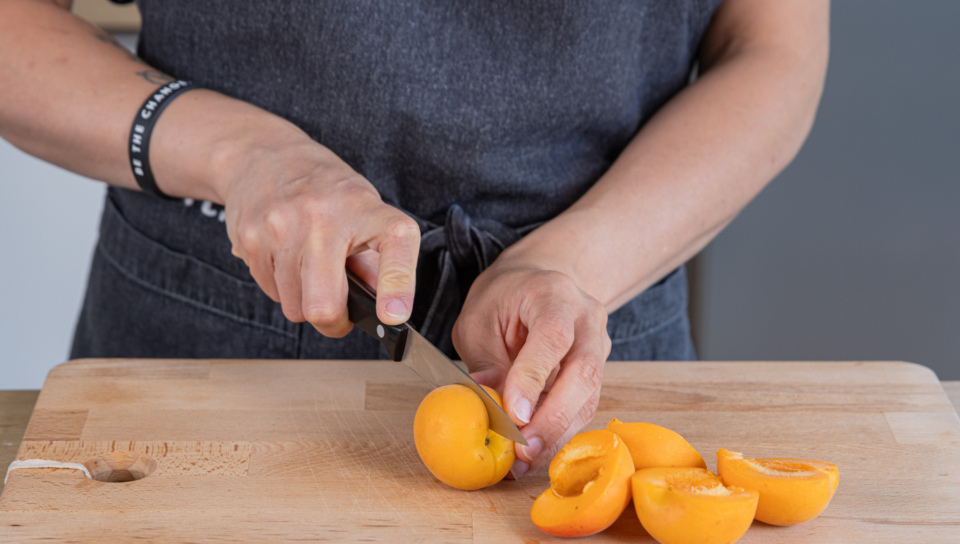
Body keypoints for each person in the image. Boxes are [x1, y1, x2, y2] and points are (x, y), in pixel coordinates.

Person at [0, 0, 829, 478]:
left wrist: (571, 263)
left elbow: (771, 50)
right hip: (201, 350)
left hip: (584, 344)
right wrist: (242, 153)